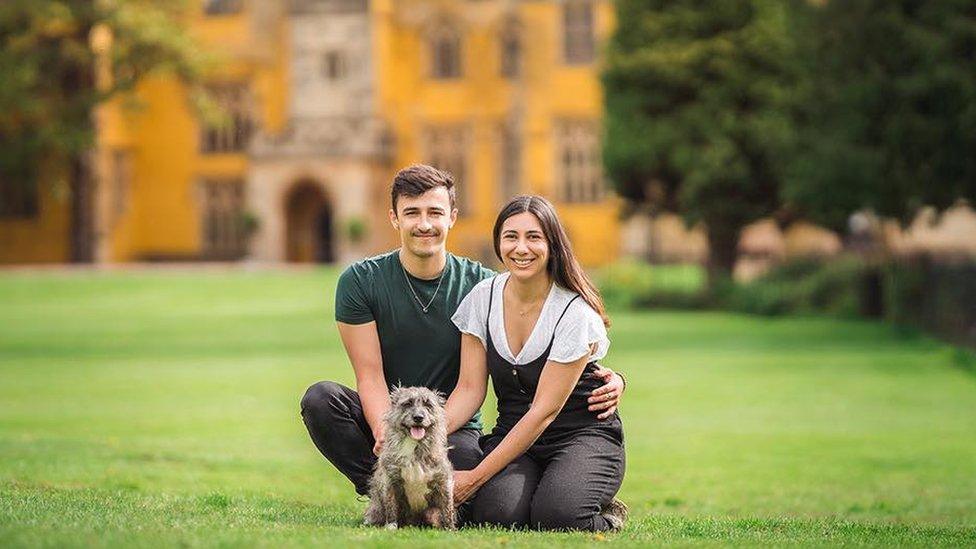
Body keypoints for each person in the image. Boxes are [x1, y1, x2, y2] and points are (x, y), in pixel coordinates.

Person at [299, 165, 626, 518]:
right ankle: (395, 500)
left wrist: (615, 378)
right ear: (394, 218)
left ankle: (438, 498)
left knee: (493, 507)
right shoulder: (365, 282)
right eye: (412, 212)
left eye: (435, 212)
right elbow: (370, 376)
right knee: (321, 399)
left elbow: (539, 365)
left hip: (455, 429)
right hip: (392, 418)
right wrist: (388, 432)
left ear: (452, 217)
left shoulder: (479, 285)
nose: (424, 224)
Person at [445, 195, 627, 531]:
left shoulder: (575, 314)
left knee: (558, 517)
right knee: (496, 515)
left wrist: (474, 478)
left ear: (552, 244)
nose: (521, 248)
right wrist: (427, 432)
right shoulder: (482, 299)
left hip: (579, 435)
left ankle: (602, 507)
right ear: (499, 242)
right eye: (511, 236)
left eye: (534, 237)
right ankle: (551, 488)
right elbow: (470, 389)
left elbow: (543, 412)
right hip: (514, 435)